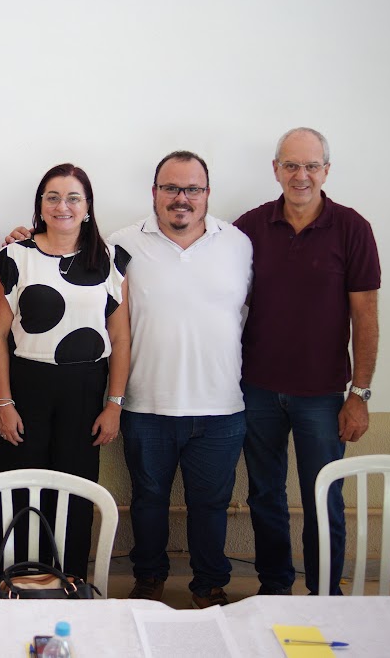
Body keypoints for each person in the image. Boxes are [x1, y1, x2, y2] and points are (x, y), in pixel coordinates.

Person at [234, 127, 381, 596]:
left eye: (312, 166)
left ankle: (324, 595)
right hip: (257, 389)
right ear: (275, 170)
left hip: (323, 394)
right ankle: (275, 588)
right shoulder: (248, 228)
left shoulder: (352, 228)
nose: (301, 175)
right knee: (264, 495)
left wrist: (359, 395)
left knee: (324, 496)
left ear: (326, 171)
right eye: (291, 165)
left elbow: (366, 317)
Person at [108, 151, 252, 608]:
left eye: (192, 189)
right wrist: (25, 236)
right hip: (146, 404)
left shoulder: (239, 244)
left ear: (207, 194)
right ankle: (149, 578)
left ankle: (209, 585)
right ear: (154, 192)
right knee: (148, 501)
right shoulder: (122, 244)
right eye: (171, 188)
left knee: (211, 505)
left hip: (221, 407)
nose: (181, 198)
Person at [0, 163, 130, 579]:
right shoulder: (14, 256)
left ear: (87, 207)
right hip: (26, 386)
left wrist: (114, 404)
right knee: (21, 488)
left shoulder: (110, 259)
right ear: (40, 205)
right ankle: (18, 582)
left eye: (73, 198)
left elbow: (121, 337)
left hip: (85, 388)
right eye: (52, 197)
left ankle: (70, 583)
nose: (62, 205)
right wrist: (3, 402)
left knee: (75, 491)